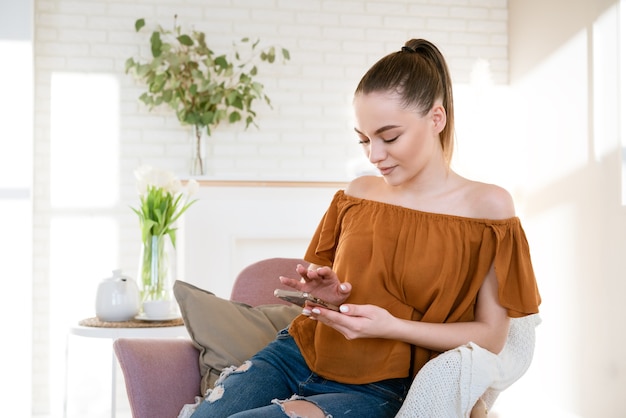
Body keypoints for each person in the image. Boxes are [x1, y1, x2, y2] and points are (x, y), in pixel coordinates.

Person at [190, 38, 541, 418]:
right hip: (297, 353)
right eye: (364, 140)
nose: (375, 155)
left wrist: (391, 327)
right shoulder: (357, 194)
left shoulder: (487, 208)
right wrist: (329, 297)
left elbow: (490, 337)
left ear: (436, 118)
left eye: (389, 137)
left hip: (381, 386)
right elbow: (333, 299)